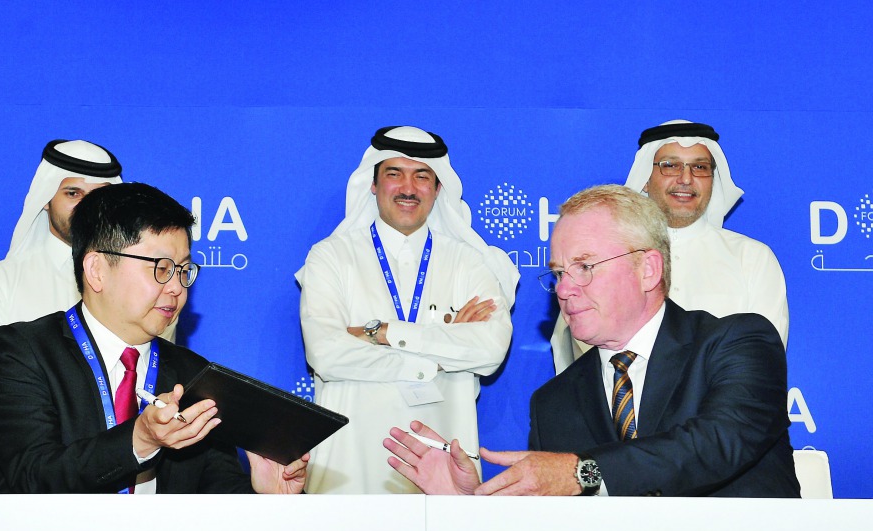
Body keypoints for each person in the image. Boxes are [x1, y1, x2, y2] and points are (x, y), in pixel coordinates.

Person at [387, 185, 799, 498]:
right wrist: (469, 507)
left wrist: (581, 472)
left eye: (584, 267)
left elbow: (716, 444)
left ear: (648, 270)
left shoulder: (738, 342)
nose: (564, 289)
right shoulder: (553, 402)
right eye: (559, 273)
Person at [0, 182, 307, 494]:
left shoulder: (193, 373)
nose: (177, 288)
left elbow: (214, 493)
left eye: (183, 271)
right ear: (97, 270)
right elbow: (28, 478)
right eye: (161, 268)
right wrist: (140, 440)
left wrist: (267, 497)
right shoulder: (22, 351)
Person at [297, 125, 517, 494]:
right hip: (349, 467)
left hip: (446, 471)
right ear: (373, 184)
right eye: (394, 174)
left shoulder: (471, 262)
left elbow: (491, 351)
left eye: (422, 176)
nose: (408, 188)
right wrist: (439, 354)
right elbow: (327, 354)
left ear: (438, 187)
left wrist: (383, 333)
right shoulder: (330, 257)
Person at [0, 139, 176, 445]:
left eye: (99, 196)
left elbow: (156, 385)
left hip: (138, 472)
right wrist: (94, 460)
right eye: (73, 193)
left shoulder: (151, 287)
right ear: (46, 198)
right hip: (30, 479)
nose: (87, 207)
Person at [550, 120, 789, 372]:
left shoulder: (751, 258)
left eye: (699, 167)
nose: (686, 178)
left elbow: (761, 362)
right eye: (670, 166)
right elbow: (574, 352)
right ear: (645, 178)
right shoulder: (606, 257)